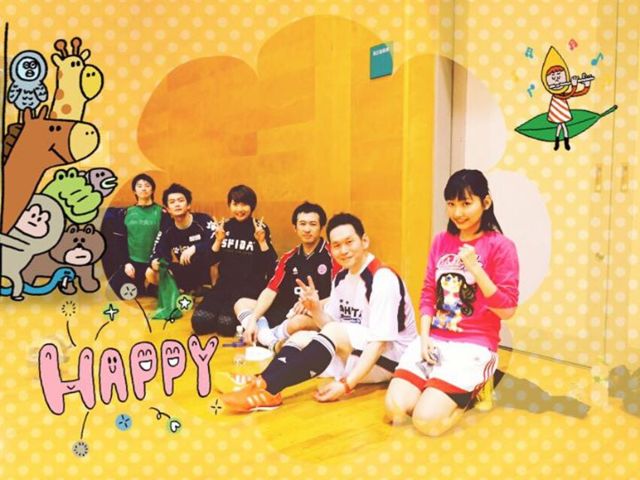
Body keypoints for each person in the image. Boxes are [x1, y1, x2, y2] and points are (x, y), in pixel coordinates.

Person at [222, 213, 417, 412]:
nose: (344, 250)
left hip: (390, 360)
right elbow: (330, 327)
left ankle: (268, 389)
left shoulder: (382, 278)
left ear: (364, 241)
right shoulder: (341, 277)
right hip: (358, 351)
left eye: (349, 242)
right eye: (337, 245)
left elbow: (379, 343)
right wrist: (315, 308)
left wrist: (346, 384)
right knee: (300, 337)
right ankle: (262, 382)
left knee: (331, 332)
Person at [384, 169, 519, 436]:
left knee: (427, 423)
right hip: (435, 340)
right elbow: (427, 292)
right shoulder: (441, 241)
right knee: (395, 412)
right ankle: (438, 388)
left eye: (466, 203)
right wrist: (424, 337)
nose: (458, 212)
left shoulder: (501, 246)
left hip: (473, 345)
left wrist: (476, 269)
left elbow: (507, 310)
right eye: (451, 204)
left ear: (485, 202)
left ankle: (475, 391)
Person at [235, 201, 340, 350]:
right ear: (295, 228)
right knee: (242, 303)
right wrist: (252, 320)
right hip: (287, 310)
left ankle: (263, 337)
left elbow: (341, 295)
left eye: (313, 224)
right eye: (302, 224)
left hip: (316, 313)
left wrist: (314, 304)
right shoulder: (288, 258)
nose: (307, 229)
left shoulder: (334, 256)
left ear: (321, 227)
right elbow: (270, 291)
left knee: (298, 323)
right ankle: (271, 341)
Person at [191, 185, 277, 336]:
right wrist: (218, 241)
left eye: (244, 204)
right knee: (199, 322)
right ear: (229, 205)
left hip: (249, 288)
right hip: (224, 285)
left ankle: (226, 314)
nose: (239, 209)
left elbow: (270, 265)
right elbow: (209, 261)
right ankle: (220, 310)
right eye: (235, 204)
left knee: (226, 325)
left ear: (252, 206)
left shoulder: (260, 228)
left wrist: (262, 241)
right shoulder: (225, 227)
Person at [145, 183, 215, 294]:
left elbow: (215, 240)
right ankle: (178, 291)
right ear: (168, 209)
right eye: (172, 202)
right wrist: (154, 261)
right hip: (183, 270)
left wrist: (195, 248)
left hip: (204, 273)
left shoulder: (203, 220)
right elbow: (157, 251)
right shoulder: (167, 228)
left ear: (188, 205)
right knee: (150, 273)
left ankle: (208, 290)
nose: (177, 204)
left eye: (181, 200)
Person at [119, 173, 166, 295]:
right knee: (120, 292)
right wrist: (126, 263)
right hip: (133, 262)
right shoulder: (127, 212)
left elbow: (166, 241)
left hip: (154, 263)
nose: (143, 188)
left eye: (147, 185)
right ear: (134, 191)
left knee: (156, 293)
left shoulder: (162, 212)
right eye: (139, 186)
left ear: (153, 190)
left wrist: (158, 261)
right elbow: (121, 241)